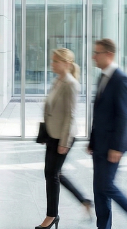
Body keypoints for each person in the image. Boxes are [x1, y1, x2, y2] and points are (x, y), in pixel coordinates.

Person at [88, 39, 127, 229]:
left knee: (106, 185)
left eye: (97, 53)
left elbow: (123, 115)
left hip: (112, 146)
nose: (93, 57)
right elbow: (98, 113)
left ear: (109, 55)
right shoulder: (102, 78)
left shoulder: (120, 79)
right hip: (99, 143)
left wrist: (117, 146)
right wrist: (92, 140)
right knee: (99, 190)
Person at [36, 48, 92, 229]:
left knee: (52, 175)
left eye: (56, 61)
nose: (52, 64)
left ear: (66, 64)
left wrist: (64, 142)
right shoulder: (58, 81)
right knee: (54, 173)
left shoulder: (71, 84)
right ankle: (84, 201)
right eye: (52, 61)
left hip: (63, 136)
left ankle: (51, 216)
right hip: (53, 134)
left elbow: (71, 115)